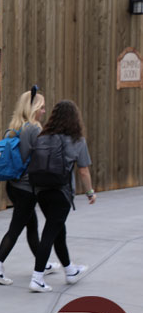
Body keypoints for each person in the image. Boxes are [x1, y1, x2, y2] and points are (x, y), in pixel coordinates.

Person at [0, 86, 60, 286]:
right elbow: (44, 159)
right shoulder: (34, 129)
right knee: (16, 229)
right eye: (42, 107)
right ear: (34, 107)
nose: (44, 111)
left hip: (13, 186)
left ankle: (41, 264)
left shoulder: (15, 126)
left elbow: (3, 162)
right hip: (27, 188)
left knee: (31, 225)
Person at [28, 100, 96, 292]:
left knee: (58, 230)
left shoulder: (42, 136)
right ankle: (37, 278)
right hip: (62, 193)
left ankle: (69, 270)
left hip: (41, 191)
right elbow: (83, 170)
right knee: (50, 232)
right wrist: (90, 192)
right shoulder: (77, 140)